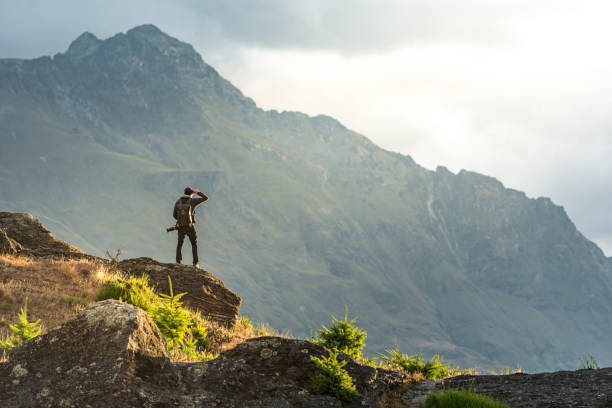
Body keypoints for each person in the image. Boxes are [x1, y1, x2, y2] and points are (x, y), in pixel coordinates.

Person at [173, 187, 208, 267]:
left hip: (180, 226)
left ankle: (178, 262)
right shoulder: (192, 201)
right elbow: (205, 198)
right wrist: (198, 192)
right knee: (194, 244)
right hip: (190, 226)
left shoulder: (178, 202)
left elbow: (174, 215)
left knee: (180, 243)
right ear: (191, 193)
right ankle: (195, 263)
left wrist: (181, 220)